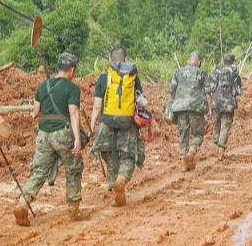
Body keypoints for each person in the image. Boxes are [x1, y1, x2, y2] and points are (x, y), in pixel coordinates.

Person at [14, 53, 90, 225]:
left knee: (39, 171)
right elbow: (73, 113)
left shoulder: (42, 86)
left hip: (43, 134)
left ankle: (22, 204)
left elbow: (36, 112)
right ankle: (73, 211)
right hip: (63, 134)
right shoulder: (72, 88)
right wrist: (77, 138)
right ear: (72, 70)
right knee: (73, 168)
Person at [91, 47, 153, 206]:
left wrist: (92, 126)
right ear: (126, 60)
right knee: (129, 155)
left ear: (110, 61)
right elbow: (140, 101)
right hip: (128, 123)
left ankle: (113, 185)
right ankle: (122, 179)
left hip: (106, 123)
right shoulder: (133, 77)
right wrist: (147, 120)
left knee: (109, 154)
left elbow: (97, 106)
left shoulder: (103, 78)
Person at [170, 51, 212, 172]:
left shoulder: (179, 71)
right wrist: (210, 109)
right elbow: (207, 92)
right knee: (198, 134)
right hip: (196, 108)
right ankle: (192, 150)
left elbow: (171, 90)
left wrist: (175, 102)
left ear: (189, 60)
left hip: (180, 108)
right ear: (199, 62)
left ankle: (184, 162)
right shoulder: (202, 73)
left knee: (183, 135)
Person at [209, 53, 242, 160]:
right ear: (233, 62)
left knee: (216, 123)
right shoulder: (235, 71)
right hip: (229, 103)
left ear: (223, 62)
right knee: (225, 126)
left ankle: (216, 142)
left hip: (216, 102)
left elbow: (210, 86)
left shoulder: (216, 70)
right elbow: (239, 89)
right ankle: (221, 149)